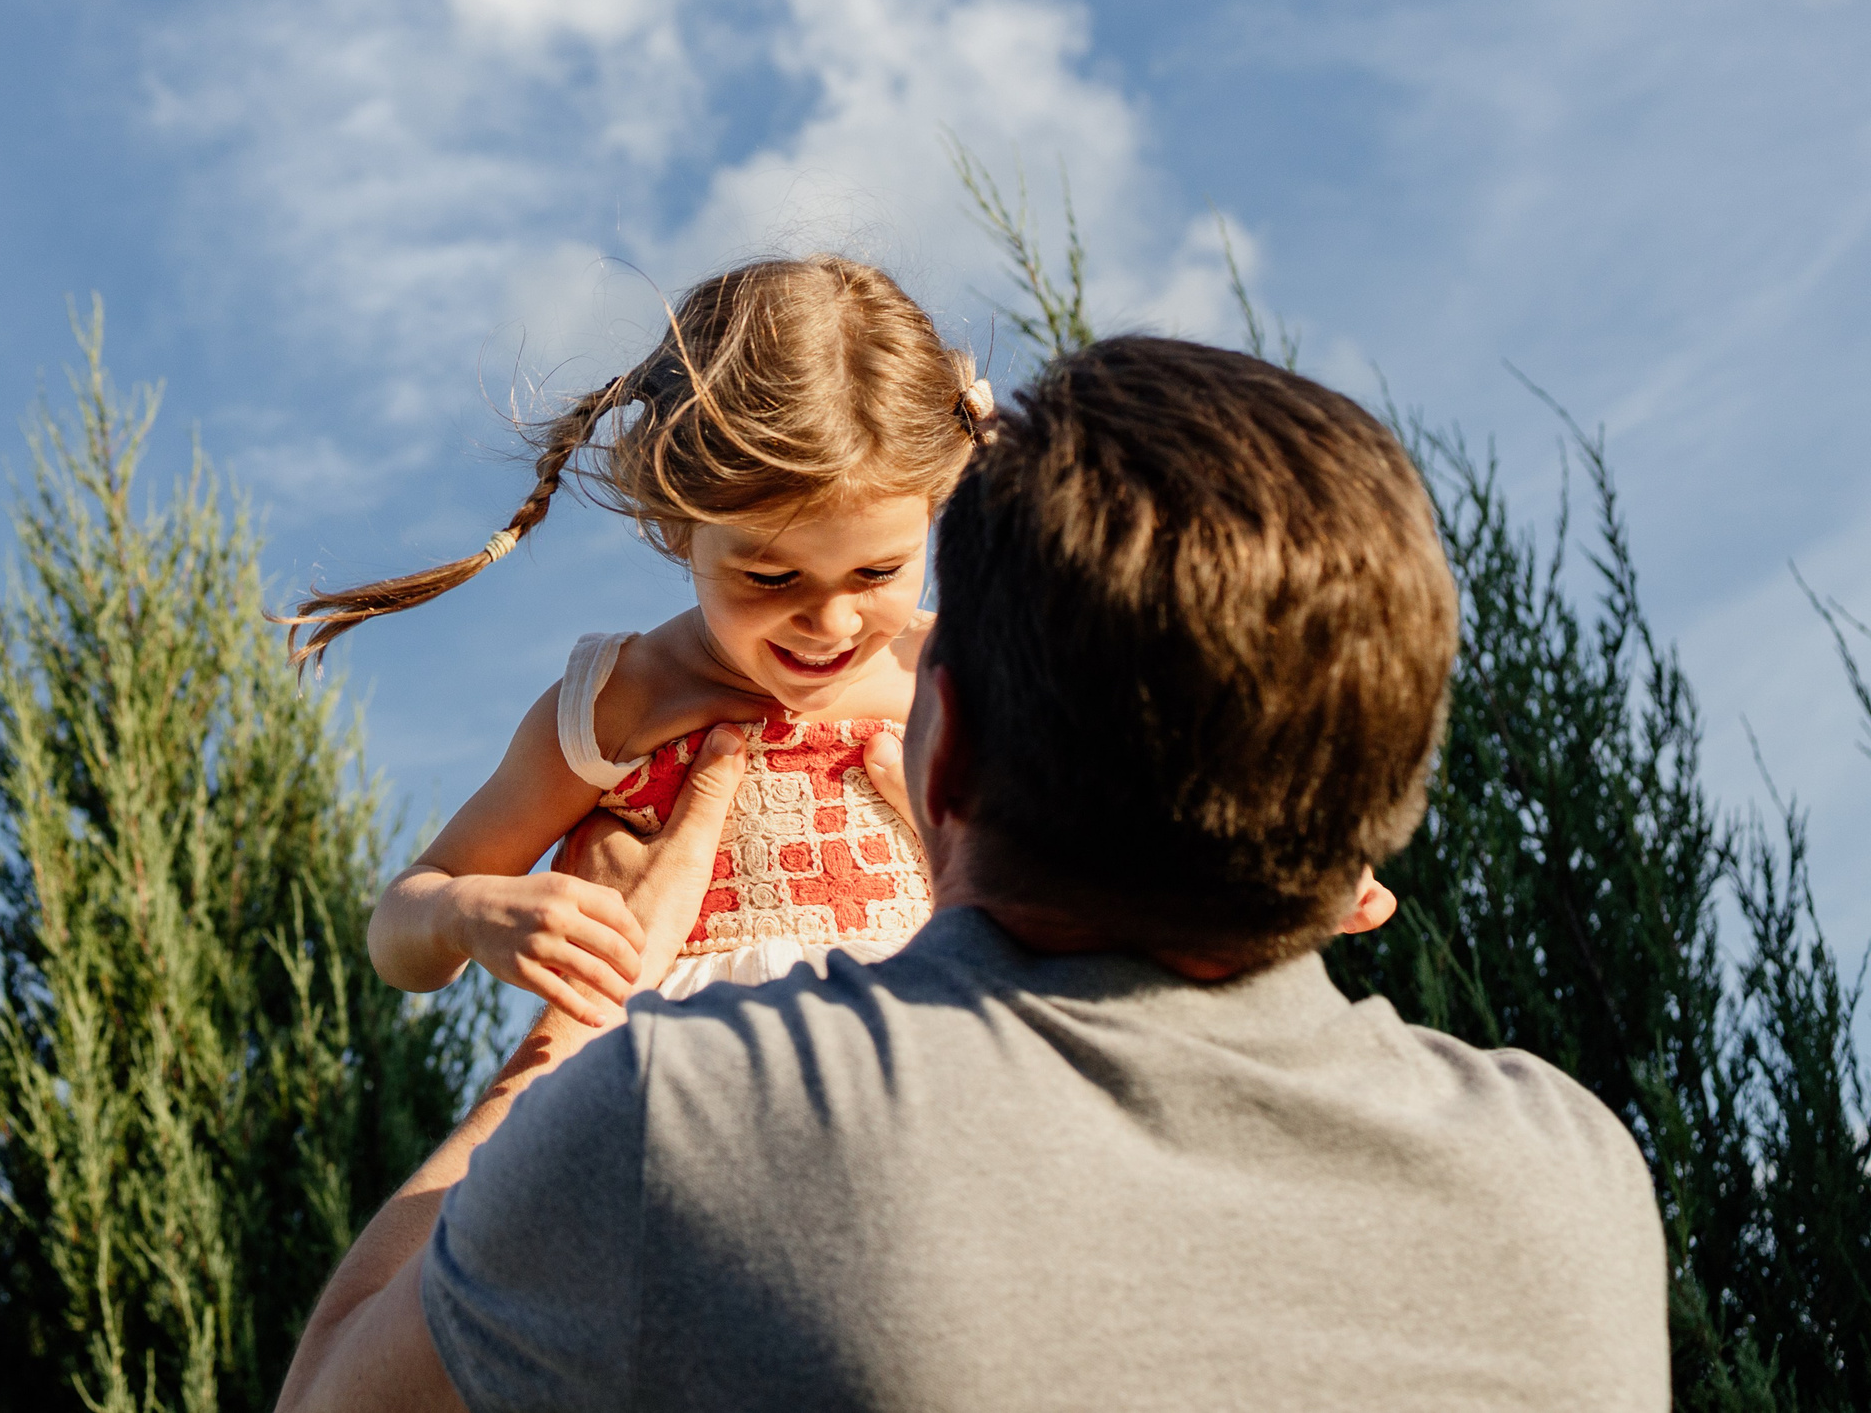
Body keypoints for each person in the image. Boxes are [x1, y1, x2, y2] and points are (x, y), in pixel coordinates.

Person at [276, 336, 1670, 1413]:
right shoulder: (1578, 1187)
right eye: (767, 575)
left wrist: (568, 1042)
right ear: (1368, 814)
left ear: (938, 760)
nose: (829, 627)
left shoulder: (691, 1128)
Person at [285, 255, 979, 1017]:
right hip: (688, 1099)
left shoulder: (958, 680)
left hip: (923, 1079)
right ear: (680, 526)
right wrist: (470, 913)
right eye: (773, 579)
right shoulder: (620, 703)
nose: (831, 623)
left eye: (878, 571)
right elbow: (401, 927)